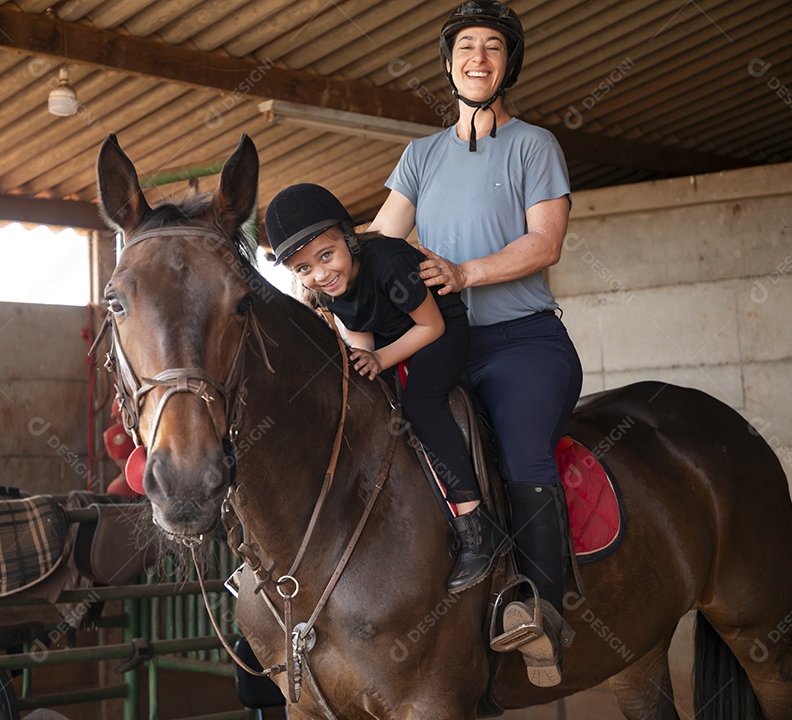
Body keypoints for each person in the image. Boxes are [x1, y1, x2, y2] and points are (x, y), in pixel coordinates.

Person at [366, 0, 583, 688]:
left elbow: (544, 243)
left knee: (522, 451)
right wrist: (323, 268)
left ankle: (543, 617)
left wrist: (464, 273)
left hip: (524, 343)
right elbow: (378, 241)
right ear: (450, 63)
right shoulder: (420, 155)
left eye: (492, 47)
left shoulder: (535, 146)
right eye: (467, 47)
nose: (479, 58)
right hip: (442, 339)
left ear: (508, 63)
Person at [265, 182, 510, 594]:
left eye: (326, 256)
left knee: (419, 401)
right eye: (304, 269)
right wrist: (364, 368)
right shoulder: (325, 289)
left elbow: (430, 327)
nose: (321, 274)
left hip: (438, 333)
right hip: (388, 338)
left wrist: (379, 360)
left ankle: (477, 525)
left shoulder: (390, 262)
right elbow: (360, 329)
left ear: (348, 239)